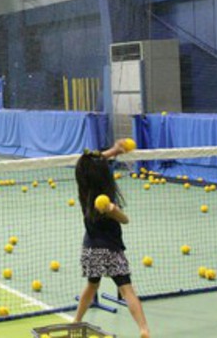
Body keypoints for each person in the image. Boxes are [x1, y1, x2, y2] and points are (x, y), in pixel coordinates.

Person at [74, 141, 150, 338]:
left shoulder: (84, 190)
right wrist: (115, 212)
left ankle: (76, 321)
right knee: (127, 290)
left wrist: (114, 151)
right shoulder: (107, 201)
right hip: (112, 250)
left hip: (90, 249)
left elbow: (88, 163)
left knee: (92, 285)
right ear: (105, 176)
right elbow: (125, 221)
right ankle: (144, 329)